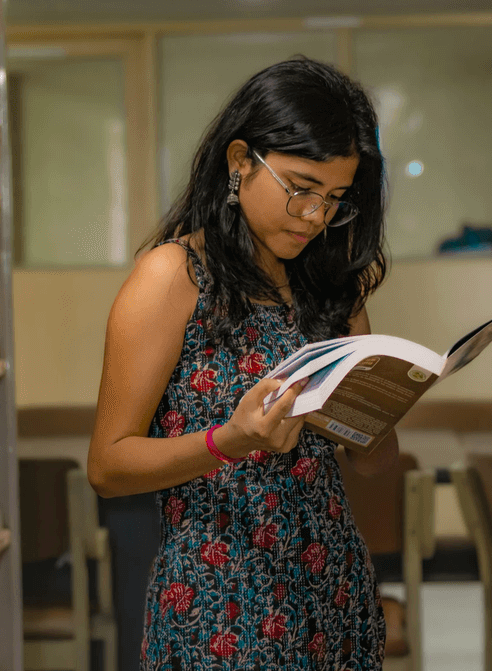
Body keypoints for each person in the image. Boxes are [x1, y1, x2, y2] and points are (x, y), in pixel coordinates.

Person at [88, 57, 398, 670]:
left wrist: (376, 411)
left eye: (336, 199)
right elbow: (108, 464)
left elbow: (375, 464)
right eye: (301, 188)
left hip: (334, 592)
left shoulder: (334, 289)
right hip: (220, 604)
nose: (315, 216)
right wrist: (230, 440)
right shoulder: (172, 278)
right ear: (239, 162)